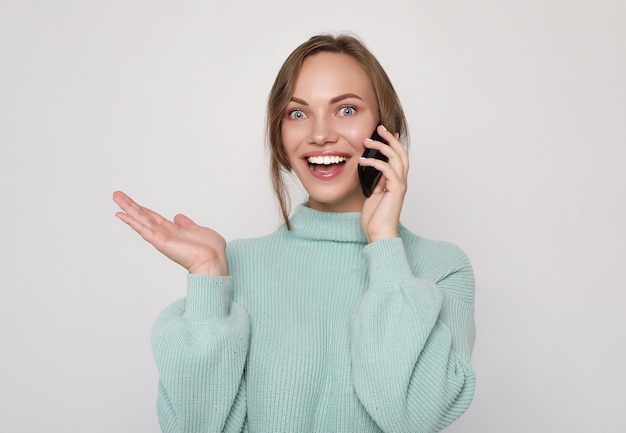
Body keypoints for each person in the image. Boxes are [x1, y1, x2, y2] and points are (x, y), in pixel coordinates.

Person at [113, 33, 475, 433]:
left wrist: (385, 245)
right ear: (279, 136)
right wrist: (209, 281)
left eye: (347, 109)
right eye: (298, 114)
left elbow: (412, 417)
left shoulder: (440, 268)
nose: (320, 134)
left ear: (384, 128)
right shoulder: (238, 267)